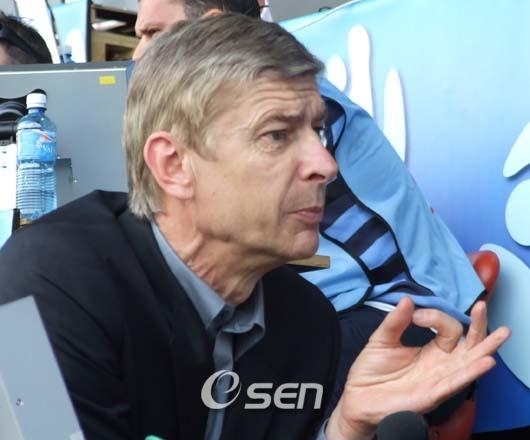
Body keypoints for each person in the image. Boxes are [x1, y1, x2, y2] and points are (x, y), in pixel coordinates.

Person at [0, 14, 509, 440]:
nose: (326, 165)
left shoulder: (308, 320)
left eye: (317, 131)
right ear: (173, 165)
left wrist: (345, 426)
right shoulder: (35, 282)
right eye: (277, 134)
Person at [132, 0, 487, 426]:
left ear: (213, 27)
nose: (138, 54)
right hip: (341, 309)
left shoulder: (289, 104)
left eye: (155, 33)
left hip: (403, 311)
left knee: (225, 387)